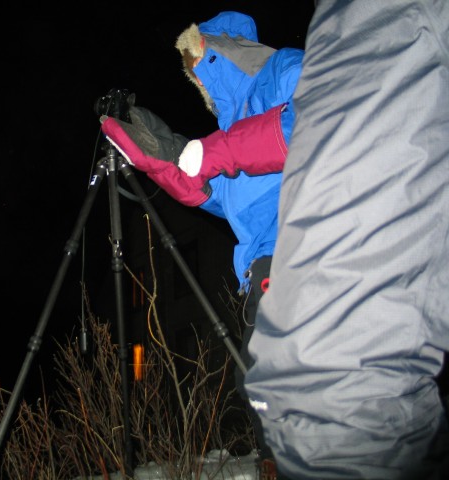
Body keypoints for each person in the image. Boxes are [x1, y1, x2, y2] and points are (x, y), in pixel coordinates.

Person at [245, 1, 449, 479]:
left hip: (311, 270)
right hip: (276, 275)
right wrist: (171, 157)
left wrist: (211, 152)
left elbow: (285, 130)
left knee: (325, 390)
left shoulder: (287, 71)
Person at [100, 10, 304, 476]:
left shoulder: (283, 68)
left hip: (305, 247)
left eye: (198, 63)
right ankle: (280, 464)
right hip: (261, 268)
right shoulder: (230, 125)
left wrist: (214, 153)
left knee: (282, 380)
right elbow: (210, 191)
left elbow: (317, 121)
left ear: (219, 52)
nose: (196, 78)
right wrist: (157, 149)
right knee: (260, 384)